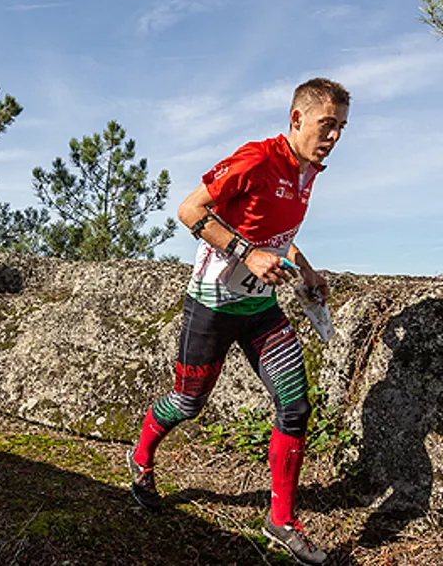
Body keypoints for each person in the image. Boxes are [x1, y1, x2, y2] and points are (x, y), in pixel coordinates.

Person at [126, 78, 348, 565]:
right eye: (326, 125)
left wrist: (305, 269)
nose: (333, 137)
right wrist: (246, 255)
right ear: (296, 119)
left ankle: (281, 521)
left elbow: (275, 233)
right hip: (211, 304)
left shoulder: (308, 171)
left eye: (342, 128)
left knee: (295, 404)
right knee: (188, 403)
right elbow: (189, 211)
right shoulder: (256, 159)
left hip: (260, 309)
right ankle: (141, 458)